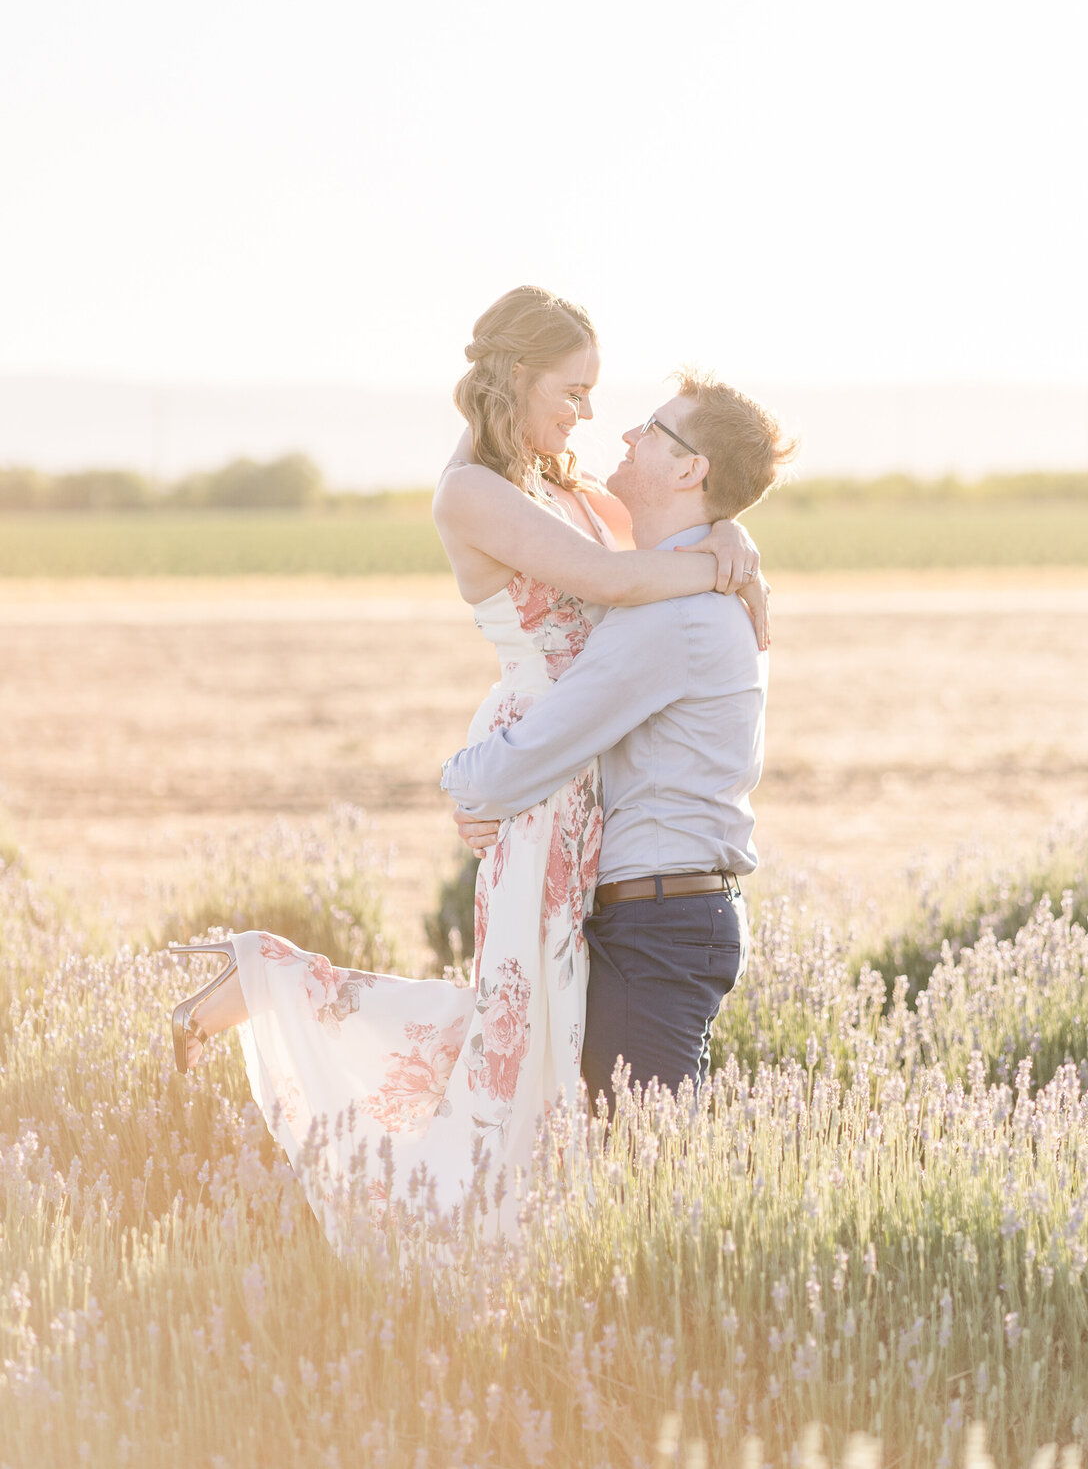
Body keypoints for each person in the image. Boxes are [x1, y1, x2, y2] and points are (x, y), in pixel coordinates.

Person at [167, 286, 767, 1240]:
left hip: (582, 780)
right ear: (518, 377)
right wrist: (720, 570)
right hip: (534, 773)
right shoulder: (471, 490)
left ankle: (281, 988)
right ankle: (292, 1002)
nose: (586, 414)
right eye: (572, 391)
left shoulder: (560, 481)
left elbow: (686, 510)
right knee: (516, 1032)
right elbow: (618, 578)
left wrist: (732, 536)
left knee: (528, 1028)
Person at [443, 368, 793, 1106]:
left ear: (690, 468)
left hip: (658, 923)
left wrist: (464, 783)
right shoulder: (688, 584)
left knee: (645, 1167)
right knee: (631, 1154)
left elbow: (538, 751)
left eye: (653, 431)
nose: (627, 436)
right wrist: (728, 532)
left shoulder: (672, 619)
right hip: (665, 914)